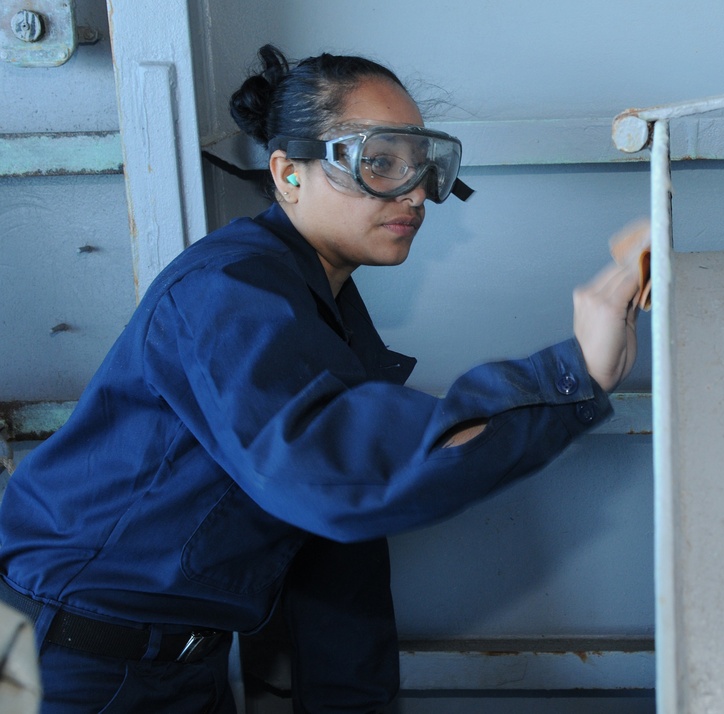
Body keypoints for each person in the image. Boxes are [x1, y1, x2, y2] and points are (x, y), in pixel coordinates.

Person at [0, 45, 641, 713]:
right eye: (380, 161)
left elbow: (336, 559)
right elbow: (335, 474)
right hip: (78, 666)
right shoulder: (230, 289)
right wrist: (572, 377)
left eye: (423, 165)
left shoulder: (320, 310)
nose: (416, 192)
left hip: (181, 664)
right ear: (288, 173)